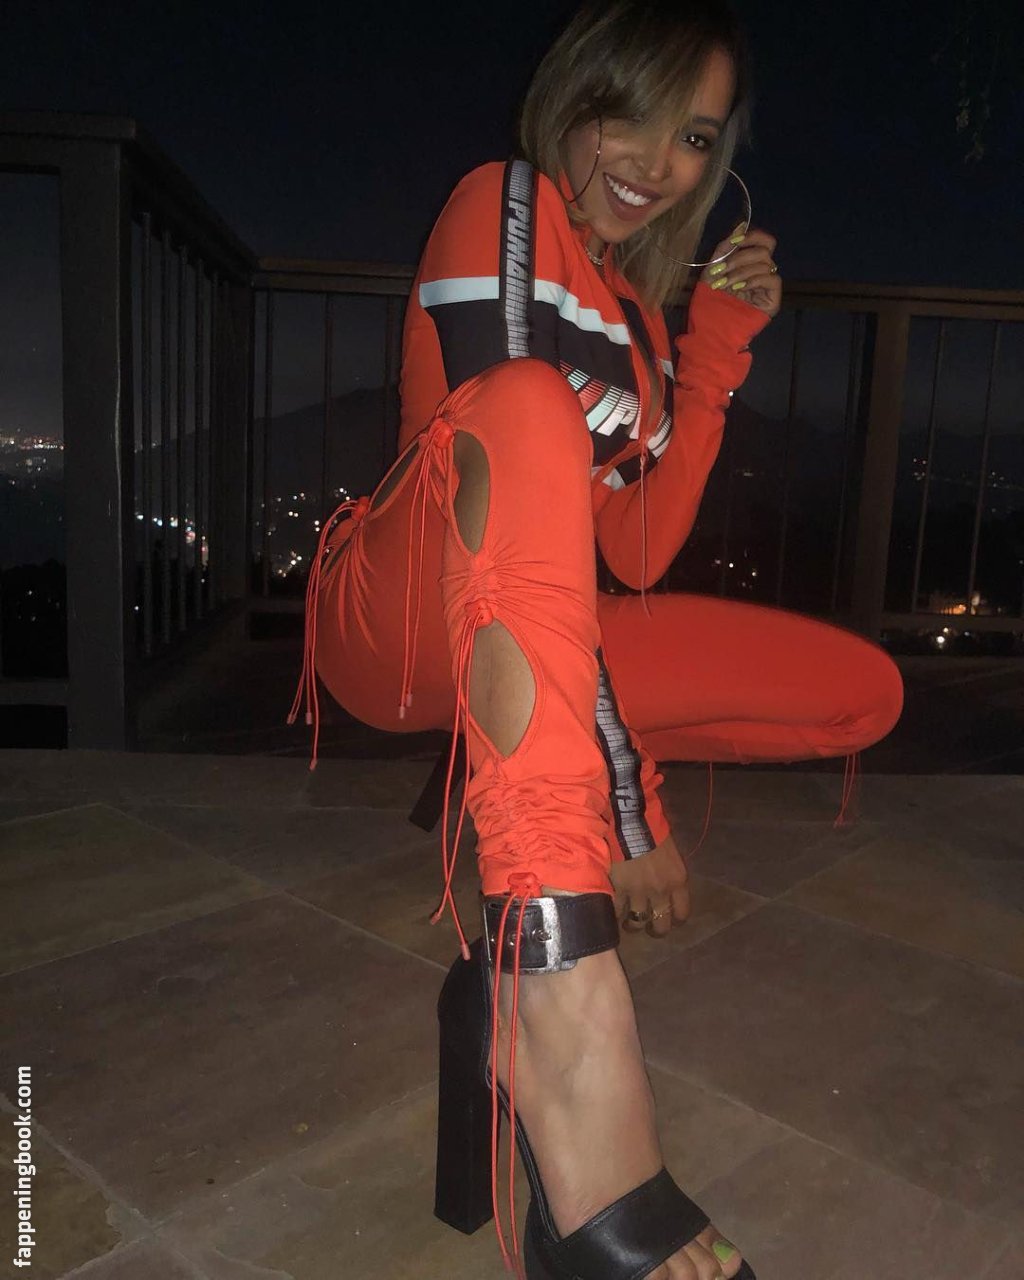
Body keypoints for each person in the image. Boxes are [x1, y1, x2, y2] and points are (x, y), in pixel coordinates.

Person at [292, 2, 903, 1276]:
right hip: (399, 614)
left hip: (535, 622)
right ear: (575, 93)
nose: (656, 160)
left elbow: (632, 554)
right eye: (634, 111)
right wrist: (630, 807)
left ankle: (529, 798)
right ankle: (555, 996)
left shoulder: (634, 317)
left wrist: (711, 354)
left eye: (694, 136)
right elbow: (517, 461)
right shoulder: (501, 202)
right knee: (527, 404)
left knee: (861, 691)